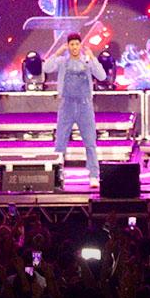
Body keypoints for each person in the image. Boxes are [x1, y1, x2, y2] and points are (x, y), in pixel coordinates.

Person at [43, 33, 108, 188]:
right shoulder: (62, 62)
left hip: (85, 106)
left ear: (80, 45)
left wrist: (93, 58)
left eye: (77, 44)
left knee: (90, 142)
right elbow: (46, 68)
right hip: (66, 105)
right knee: (60, 142)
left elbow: (102, 76)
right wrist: (58, 52)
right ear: (68, 46)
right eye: (71, 44)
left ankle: (93, 175)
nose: (74, 47)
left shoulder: (87, 61)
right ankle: (57, 175)